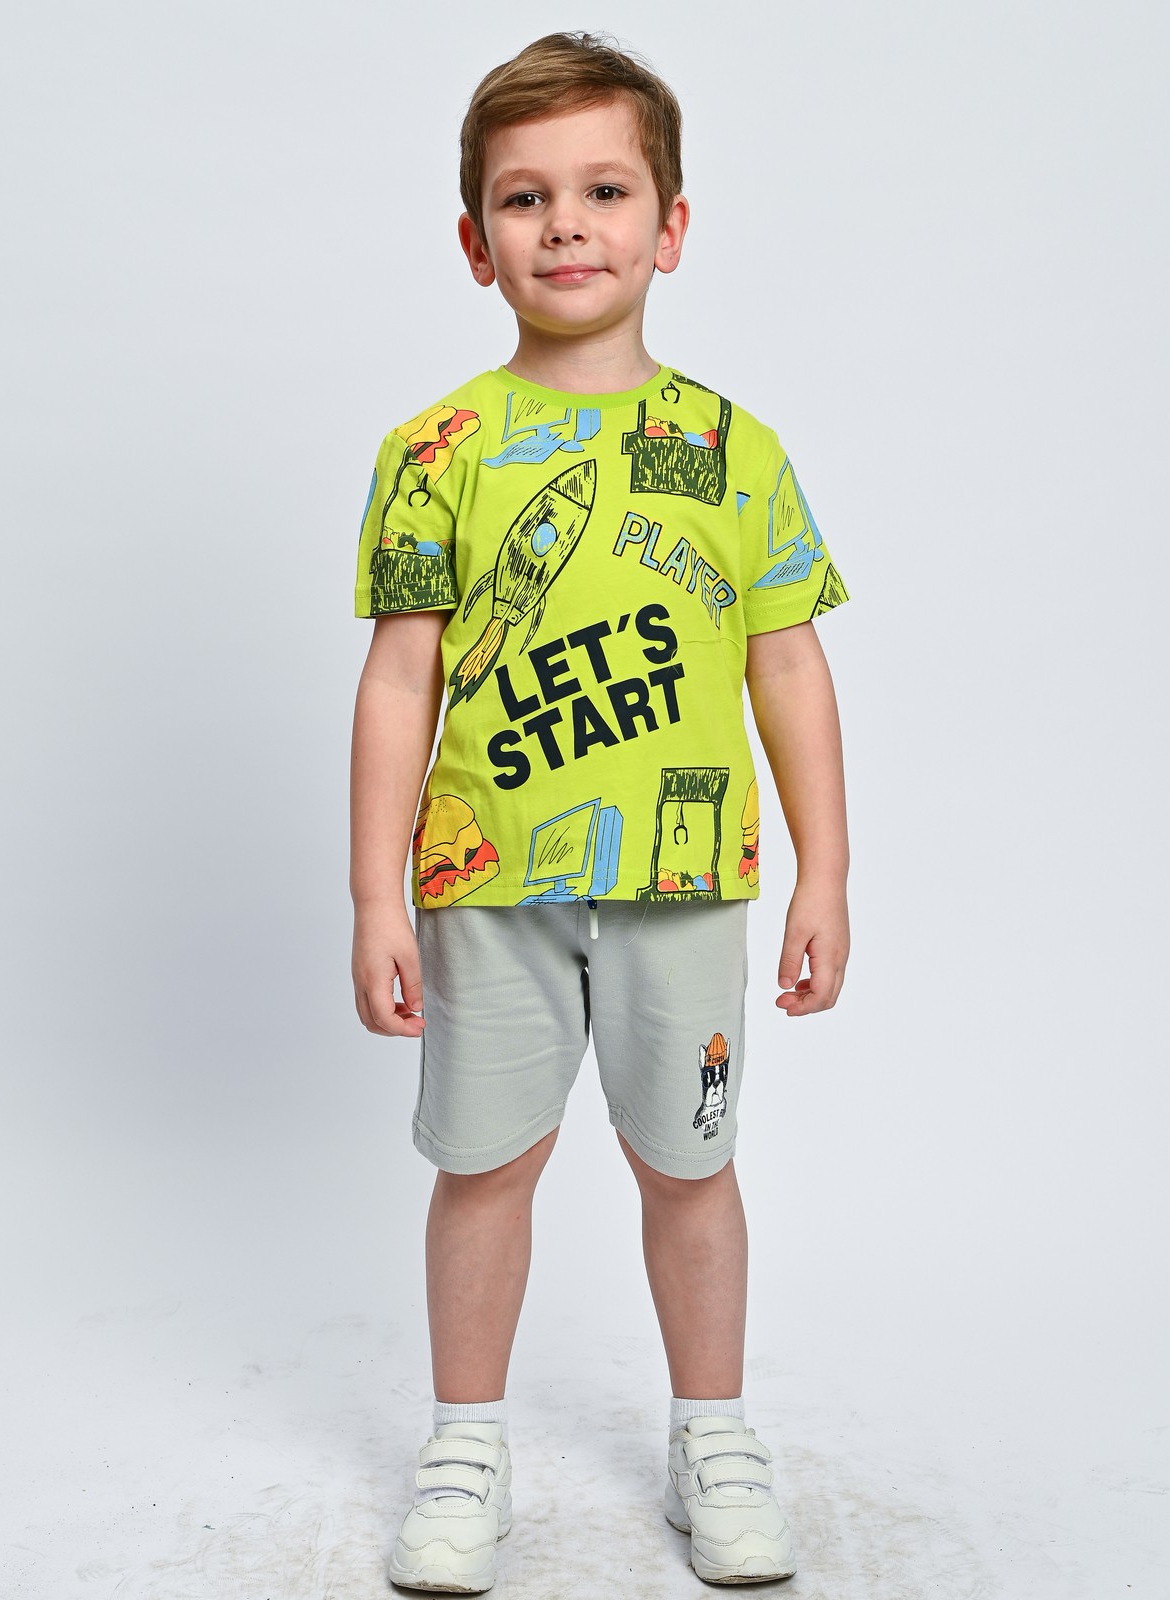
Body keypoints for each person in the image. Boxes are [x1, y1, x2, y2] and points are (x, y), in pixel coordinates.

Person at [350, 31, 850, 1591]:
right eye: (525, 197)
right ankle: (465, 1445)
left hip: (687, 884)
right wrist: (374, 897)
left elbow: (787, 663)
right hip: (487, 882)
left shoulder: (735, 452)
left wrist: (826, 871)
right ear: (475, 241)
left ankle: (715, 1433)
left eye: (605, 190)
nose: (566, 223)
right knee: (483, 1166)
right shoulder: (435, 454)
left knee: (689, 1169)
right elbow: (398, 683)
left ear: (670, 225)